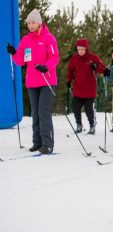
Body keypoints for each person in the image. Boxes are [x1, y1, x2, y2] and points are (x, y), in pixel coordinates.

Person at [7, 9, 59, 154]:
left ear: (39, 23)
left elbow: (55, 58)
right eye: (28, 23)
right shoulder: (25, 40)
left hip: (46, 80)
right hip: (32, 82)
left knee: (43, 111)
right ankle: (37, 142)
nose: (30, 25)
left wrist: (46, 67)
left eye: (33, 22)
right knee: (35, 113)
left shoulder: (49, 38)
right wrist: (14, 53)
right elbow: (20, 61)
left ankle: (47, 144)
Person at [66, 38, 105, 135]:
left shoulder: (93, 58)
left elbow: (102, 69)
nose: (80, 51)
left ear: (86, 49)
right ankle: (79, 125)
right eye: (79, 49)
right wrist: (69, 80)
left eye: (82, 49)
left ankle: (92, 126)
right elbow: (70, 70)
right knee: (76, 108)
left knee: (89, 110)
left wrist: (96, 67)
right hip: (78, 88)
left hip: (89, 90)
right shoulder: (74, 58)